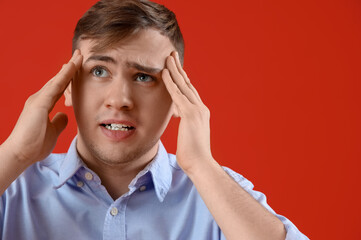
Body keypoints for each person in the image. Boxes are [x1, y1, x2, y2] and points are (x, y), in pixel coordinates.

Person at [0, 0, 309, 239]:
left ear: (179, 96)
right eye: (98, 71)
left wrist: (201, 167)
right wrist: (14, 156)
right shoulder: (12, 189)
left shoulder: (221, 195)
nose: (120, 99)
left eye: (144, 76)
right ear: (68, 86)